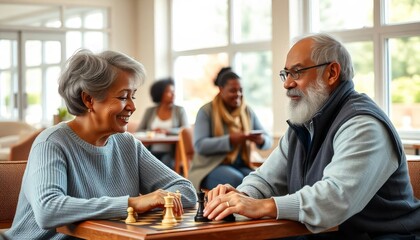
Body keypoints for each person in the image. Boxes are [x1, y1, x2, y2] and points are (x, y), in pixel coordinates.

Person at [203, 33, 420, 240]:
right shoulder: (304, 123)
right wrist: (240, 197)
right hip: (327, 234)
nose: (287, 83)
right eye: (285, 74)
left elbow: (335, 199)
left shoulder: (363, 124)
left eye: (297, 72)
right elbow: (265, 180)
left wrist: (264, 206)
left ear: (332, 73)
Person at [3, 49, 197, 240]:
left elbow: (185, 190)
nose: (132, 106)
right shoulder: (52, 142)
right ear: (89, 99)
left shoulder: (127, 143)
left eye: (133, 96)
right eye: (123, 97)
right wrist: (132, 203)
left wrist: (158, 200)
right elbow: (48, 210)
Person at [188, 67, 272, 191]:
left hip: (239, 164)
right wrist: (230, 140)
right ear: (221, 90)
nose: (238, 94)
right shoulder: (206, 111)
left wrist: (261, 140)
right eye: (233, 90)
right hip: (209, 168)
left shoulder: (247, 111)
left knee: (260, 181)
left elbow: (268, 140)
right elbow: (200, 145)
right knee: (237, 180)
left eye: (240, 90)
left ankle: (254, 209)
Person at [137, 78, 188, 168]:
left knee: (164, 165)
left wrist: (167, 131)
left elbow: (186, 131)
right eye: (169, 92)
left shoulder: (179, 110)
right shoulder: (150, 111)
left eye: (173, 91)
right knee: (144, 165)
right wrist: (152, 131)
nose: (173, 95)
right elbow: (139, 130)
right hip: (150, 151)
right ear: (160, 94)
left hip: (171, 154)